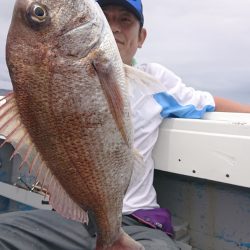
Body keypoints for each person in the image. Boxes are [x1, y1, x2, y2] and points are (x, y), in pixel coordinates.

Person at [0, 0, 250, 250]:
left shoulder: (157, 79)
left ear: (141, 37)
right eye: (106, 18)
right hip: (72, 218)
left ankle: (112, 237)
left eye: (125, 20)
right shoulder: (53, 75)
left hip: (139, 220)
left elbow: (209, 102)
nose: (115, 28)